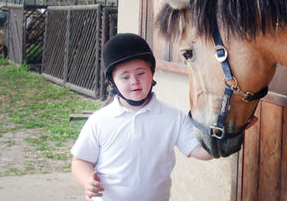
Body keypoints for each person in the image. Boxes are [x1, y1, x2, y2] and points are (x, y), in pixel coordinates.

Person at [71, 33, 211, 201]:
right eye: (125, 77)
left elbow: (202, 152)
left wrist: (233, 132)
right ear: (112, 82)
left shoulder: (173, 118)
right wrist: (87, 181)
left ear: (152, 73)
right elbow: (80, 161)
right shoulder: (100, 121)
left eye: (141, 73)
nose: (134, 81)